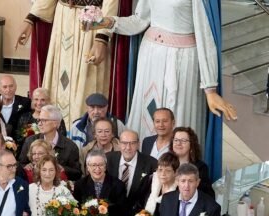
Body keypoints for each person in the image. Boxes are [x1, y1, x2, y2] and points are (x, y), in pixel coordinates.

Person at [94, 1, 237, 141]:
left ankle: (177, 162)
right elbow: (139, 21)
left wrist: (210, 88)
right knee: (148, 114)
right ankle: (145, 159)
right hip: (151, 58)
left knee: (178, 117)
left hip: (182, 62)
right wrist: (107, 22)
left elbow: (205, 35)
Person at [15, 0, 118, 125]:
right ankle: (51, 129)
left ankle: (81, 131)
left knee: (84, 79)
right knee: (58, 80)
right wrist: (30, 19)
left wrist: (102, 36)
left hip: (91, 22)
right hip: (63, 20)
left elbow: (111, 3)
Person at [19, 105, 82, 181]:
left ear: (55, 123)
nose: (39, 124)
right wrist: (26, 166)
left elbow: (77, 173)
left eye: (44, 120)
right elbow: (20, 164)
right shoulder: (30, 141)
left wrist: (62, 169)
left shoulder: (70, 146)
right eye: (39, 120)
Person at [171, 127, 214, 198]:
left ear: (191, 145)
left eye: (183, 141)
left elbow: (206, 195)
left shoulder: (201, 167)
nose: (178, 143)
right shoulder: (166, 164)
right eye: (176, 140)